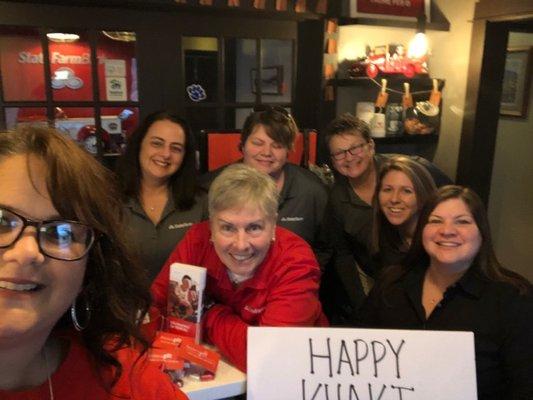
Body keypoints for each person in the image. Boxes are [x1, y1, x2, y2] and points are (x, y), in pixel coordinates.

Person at [0, 126, 187, 399]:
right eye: (3, 221)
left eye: (61, 232)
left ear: (88, 271)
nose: (27, 251)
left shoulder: (121, 376)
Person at [360, 185, 533, 400]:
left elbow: (525, 387)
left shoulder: (514, 298)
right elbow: (358, 351)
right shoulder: (392, 283)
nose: (447, 230)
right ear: (422, 230)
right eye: (435, 220)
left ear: (482, 232)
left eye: (462, 221)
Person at [152, 164, 328, 372]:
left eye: (254, 227)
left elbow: (270, 359)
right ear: (211, 227)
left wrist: (208, 311)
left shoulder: (296, 261)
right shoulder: (196, 240)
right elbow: (158, 304)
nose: (241, 244)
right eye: (227, 228)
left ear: (273, 225)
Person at [319, 113, 451, 325]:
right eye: (340, 153)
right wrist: (361, 302)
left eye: (356, 147)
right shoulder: (337, 198)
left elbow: (454, 204)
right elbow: (341, 253)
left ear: (371, 146)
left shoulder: (411, 169)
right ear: (333, 161)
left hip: (431, 271)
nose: (349, 157)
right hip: (381, 278)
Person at [200, 106, 328, 253]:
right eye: (258, 143)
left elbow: (325, 247)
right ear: (243, 145)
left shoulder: (311, 190)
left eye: (277, 145)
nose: (267, 152)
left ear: (288, 150)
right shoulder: (211, 187)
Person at [116, 111, 207, 282]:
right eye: (157, 143)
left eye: (176, 148)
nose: (166, 154)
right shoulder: (107, 198)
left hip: (180, 306)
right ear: (139, 144)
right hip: (123, 307)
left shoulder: (201, 203)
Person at [370, 155, 437, 273]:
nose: (394, 199)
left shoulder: (439, 238)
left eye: (406, 191)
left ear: (423, 194)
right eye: (387, 189)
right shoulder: (383, 232)